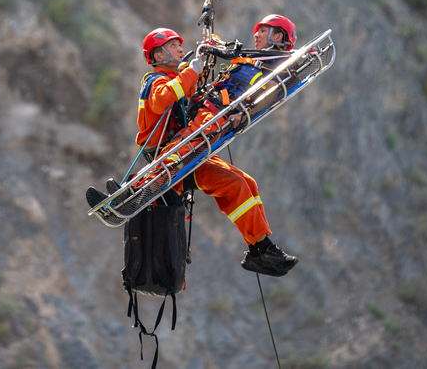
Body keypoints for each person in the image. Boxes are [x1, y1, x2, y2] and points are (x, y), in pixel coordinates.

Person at [128, 24, 299, 277]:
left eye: (179, 45)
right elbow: (163, 98)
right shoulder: (155, 80)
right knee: (203, 157)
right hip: (170, 156)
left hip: (187, 156)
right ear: (159, 55)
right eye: (174, 46)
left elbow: (186, 92)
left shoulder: (178, 78)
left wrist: (203, 60)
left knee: (244, 183)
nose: (180, 49)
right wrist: (194, 69)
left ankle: (260, 249)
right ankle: (140, 186)